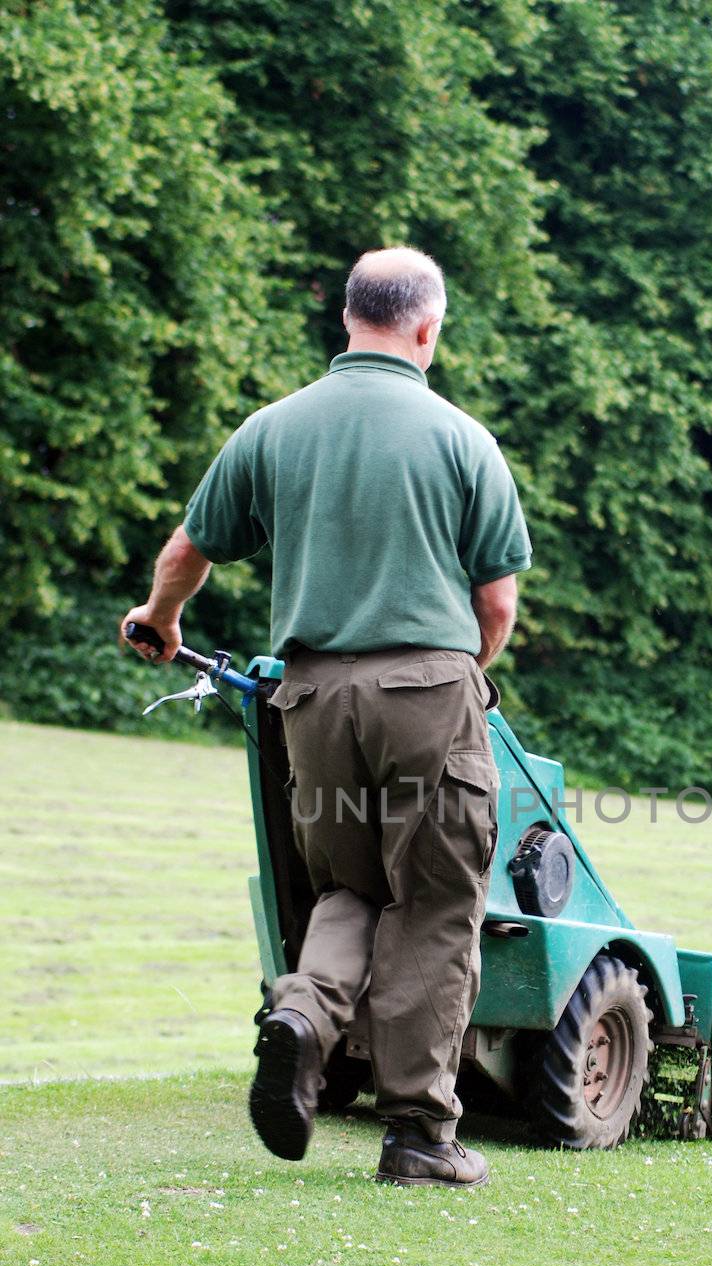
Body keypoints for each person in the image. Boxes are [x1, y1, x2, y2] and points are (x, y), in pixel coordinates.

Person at [122, 246, 531, 1188]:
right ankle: (420, 1138)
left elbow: (189, 549)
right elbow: (497, 607)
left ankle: (303, 1013)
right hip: (427, 692)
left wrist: (159, 621)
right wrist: (459, 679)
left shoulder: (274, 428)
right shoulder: (463, 439)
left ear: (349, 317)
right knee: (432, 906)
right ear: (427, 328)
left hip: (307, 699)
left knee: (347, 889)